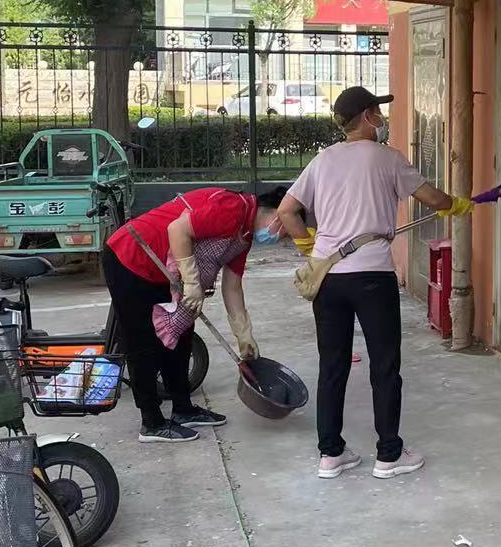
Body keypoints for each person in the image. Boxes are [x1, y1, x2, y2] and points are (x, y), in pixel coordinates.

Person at [277, 86, 471, 480]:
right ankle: (389, 455)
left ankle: (330, 454)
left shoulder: (323, 160)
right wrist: (457, 204)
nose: (381, 119)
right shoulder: (387, 158)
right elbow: (434, 199)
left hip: (328, 277)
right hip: (371, 275)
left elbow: (287, 210)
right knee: (384, 365)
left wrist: (309, 248)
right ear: (367, 117)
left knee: (332, 365)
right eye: (377, 112)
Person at [103, 187, 261, 443]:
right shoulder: (234, 208)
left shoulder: (244, 233)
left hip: (163, 271)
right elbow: (177, 229)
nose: (282, 235)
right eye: (287, 229)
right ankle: (151, 422)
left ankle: (183, 409)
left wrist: (244, 334)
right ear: (279, 215)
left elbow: (232, 286)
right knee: (143, 342)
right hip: (131, 256)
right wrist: (192, 282)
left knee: (182, 334)